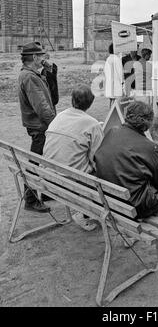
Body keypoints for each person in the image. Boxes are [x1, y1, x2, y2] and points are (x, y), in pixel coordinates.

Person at [93, 100, 158, 254]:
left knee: (137, 188)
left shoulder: (111, 132)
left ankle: (129, 234)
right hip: (133, 204)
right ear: (147, 122)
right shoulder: (149, 147)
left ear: (127, 116)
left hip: (108, 197)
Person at [43, 85, 104, 230]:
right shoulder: (92, 124)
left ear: (72, 100)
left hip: (47, 175)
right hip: (70, 180)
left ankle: (85, 212)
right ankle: (85, 214)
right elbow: (97, 158)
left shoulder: (60, 116)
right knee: (102, 173)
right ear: (90, 103)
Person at [18, 42, 56, 212]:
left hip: (38, 125)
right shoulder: (30, 77)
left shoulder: (31, 74)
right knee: (35, 162)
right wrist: (56, 125)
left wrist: (49, 73)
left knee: (44, 159)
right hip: (39, 126)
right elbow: (42, 107)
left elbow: (51, 97)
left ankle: (46, 192)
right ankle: (31, 199)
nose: (43, 58)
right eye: (41, 56)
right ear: (34, 57)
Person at [104, 43, 123, 107]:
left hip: (109, 82)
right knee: (117, 100)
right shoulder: (117, 59)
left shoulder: (108, 59)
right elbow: (120, 72)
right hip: (116, 83)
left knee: (111, 99)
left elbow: (105, 71)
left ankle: (111, 111)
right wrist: (122, 82)